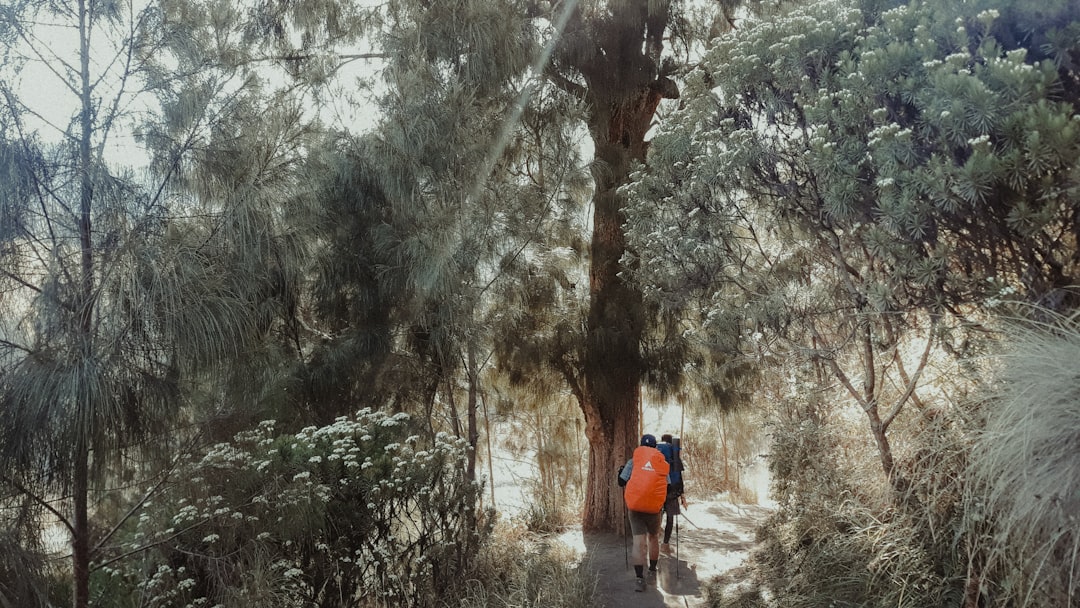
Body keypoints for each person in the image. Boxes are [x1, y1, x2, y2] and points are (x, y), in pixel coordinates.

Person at [618, 433, 670, 592]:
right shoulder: (661, 463)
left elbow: (621, 482)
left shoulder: (633, 462)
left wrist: (620, 471)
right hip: (654, 509)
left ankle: (639, 579)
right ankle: (652, 572)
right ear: (655, 448)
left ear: (641, 446)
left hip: (635, 508)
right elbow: (668, 485)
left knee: (638, 542)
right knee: (653, 538)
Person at [657, 434, 687, 555]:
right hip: (672, 491)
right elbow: (679, 475)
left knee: (658, 515)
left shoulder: (657, 453)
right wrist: (682, 494)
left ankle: (654, 540)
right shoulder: (674, 456)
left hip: (658, 489)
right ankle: (665, 544)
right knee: (670, 519)